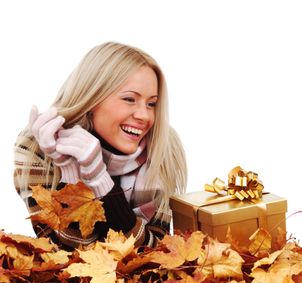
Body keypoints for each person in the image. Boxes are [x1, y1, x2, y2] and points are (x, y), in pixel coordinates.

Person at [14, 41, 187, 250]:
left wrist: (99, 179)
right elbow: (66, 258)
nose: (144, 116)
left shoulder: (162, 147)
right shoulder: (36, 147)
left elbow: (153, 255)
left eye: (151, 104)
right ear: (92, 97)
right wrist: (70, 173)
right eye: (130, 99)